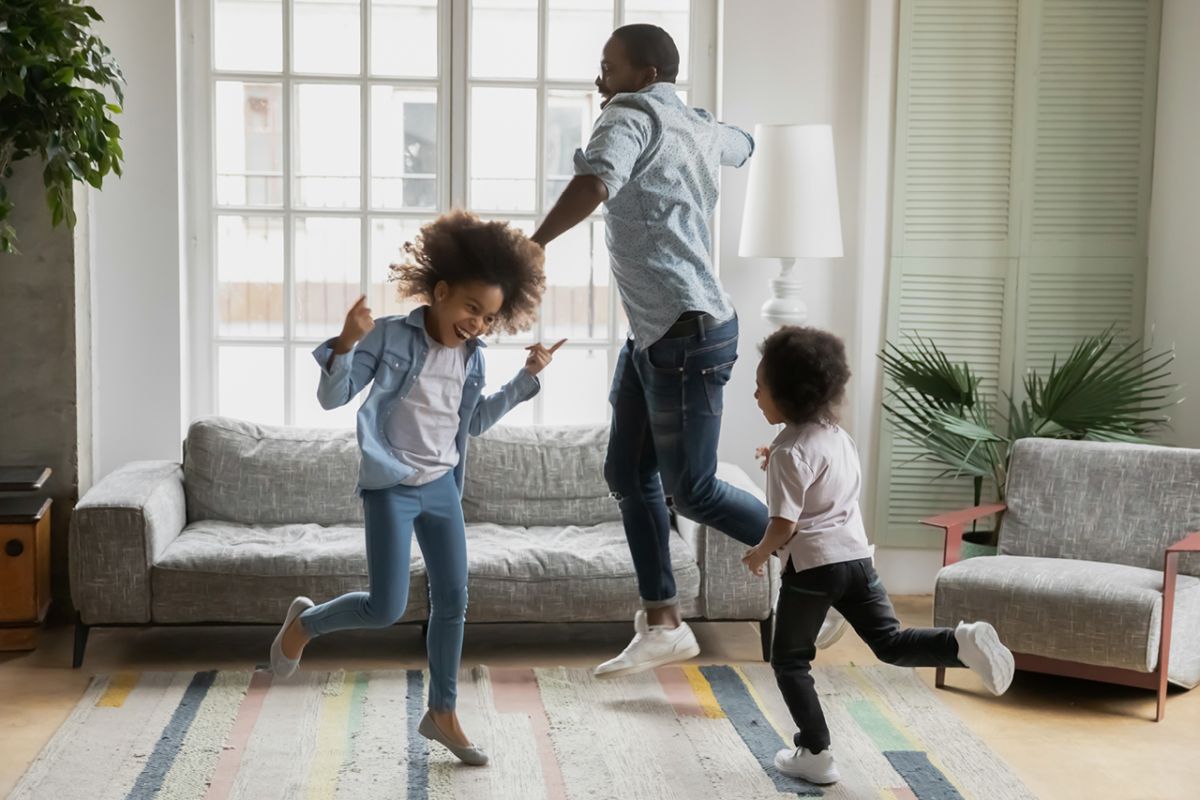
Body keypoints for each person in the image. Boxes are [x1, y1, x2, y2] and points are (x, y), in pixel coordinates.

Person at [269, 211, 562, 767]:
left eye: (489, 317)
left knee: (454, 601)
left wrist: (528, 379)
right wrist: (348, 343)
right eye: (471, 308)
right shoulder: (389, 337)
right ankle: (304, 625)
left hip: (442, 488)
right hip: (393, 487)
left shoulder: (472, 359)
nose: (477, 323)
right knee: (385, 607)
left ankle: (443, 711)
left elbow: (472, 422)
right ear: (442, 291)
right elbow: (334, 399)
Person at [531, 22, 766, 678]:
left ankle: (817, 558)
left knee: (689, 491)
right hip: (662, 334)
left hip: (686, 336)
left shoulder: (628, 115)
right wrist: (739, 136)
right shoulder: (691, 122)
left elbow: (597, 179)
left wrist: (536, 242)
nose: (599, 80)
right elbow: (743, 146)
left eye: (608, 66)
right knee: (628, 476)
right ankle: (663, 621)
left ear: (645, 75)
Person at [741, 326, 1015, 785]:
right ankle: (959, 644)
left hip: (812, 570)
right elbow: (818, 470)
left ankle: (815, 751)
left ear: (788, 396)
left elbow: (784, 524)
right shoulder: (835, 435)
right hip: (856, 561)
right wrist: (779, 451)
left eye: (761, 387)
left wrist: (758, 553)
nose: (754, 394)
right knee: (889, 642)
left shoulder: (790, 453)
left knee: (789, 659)